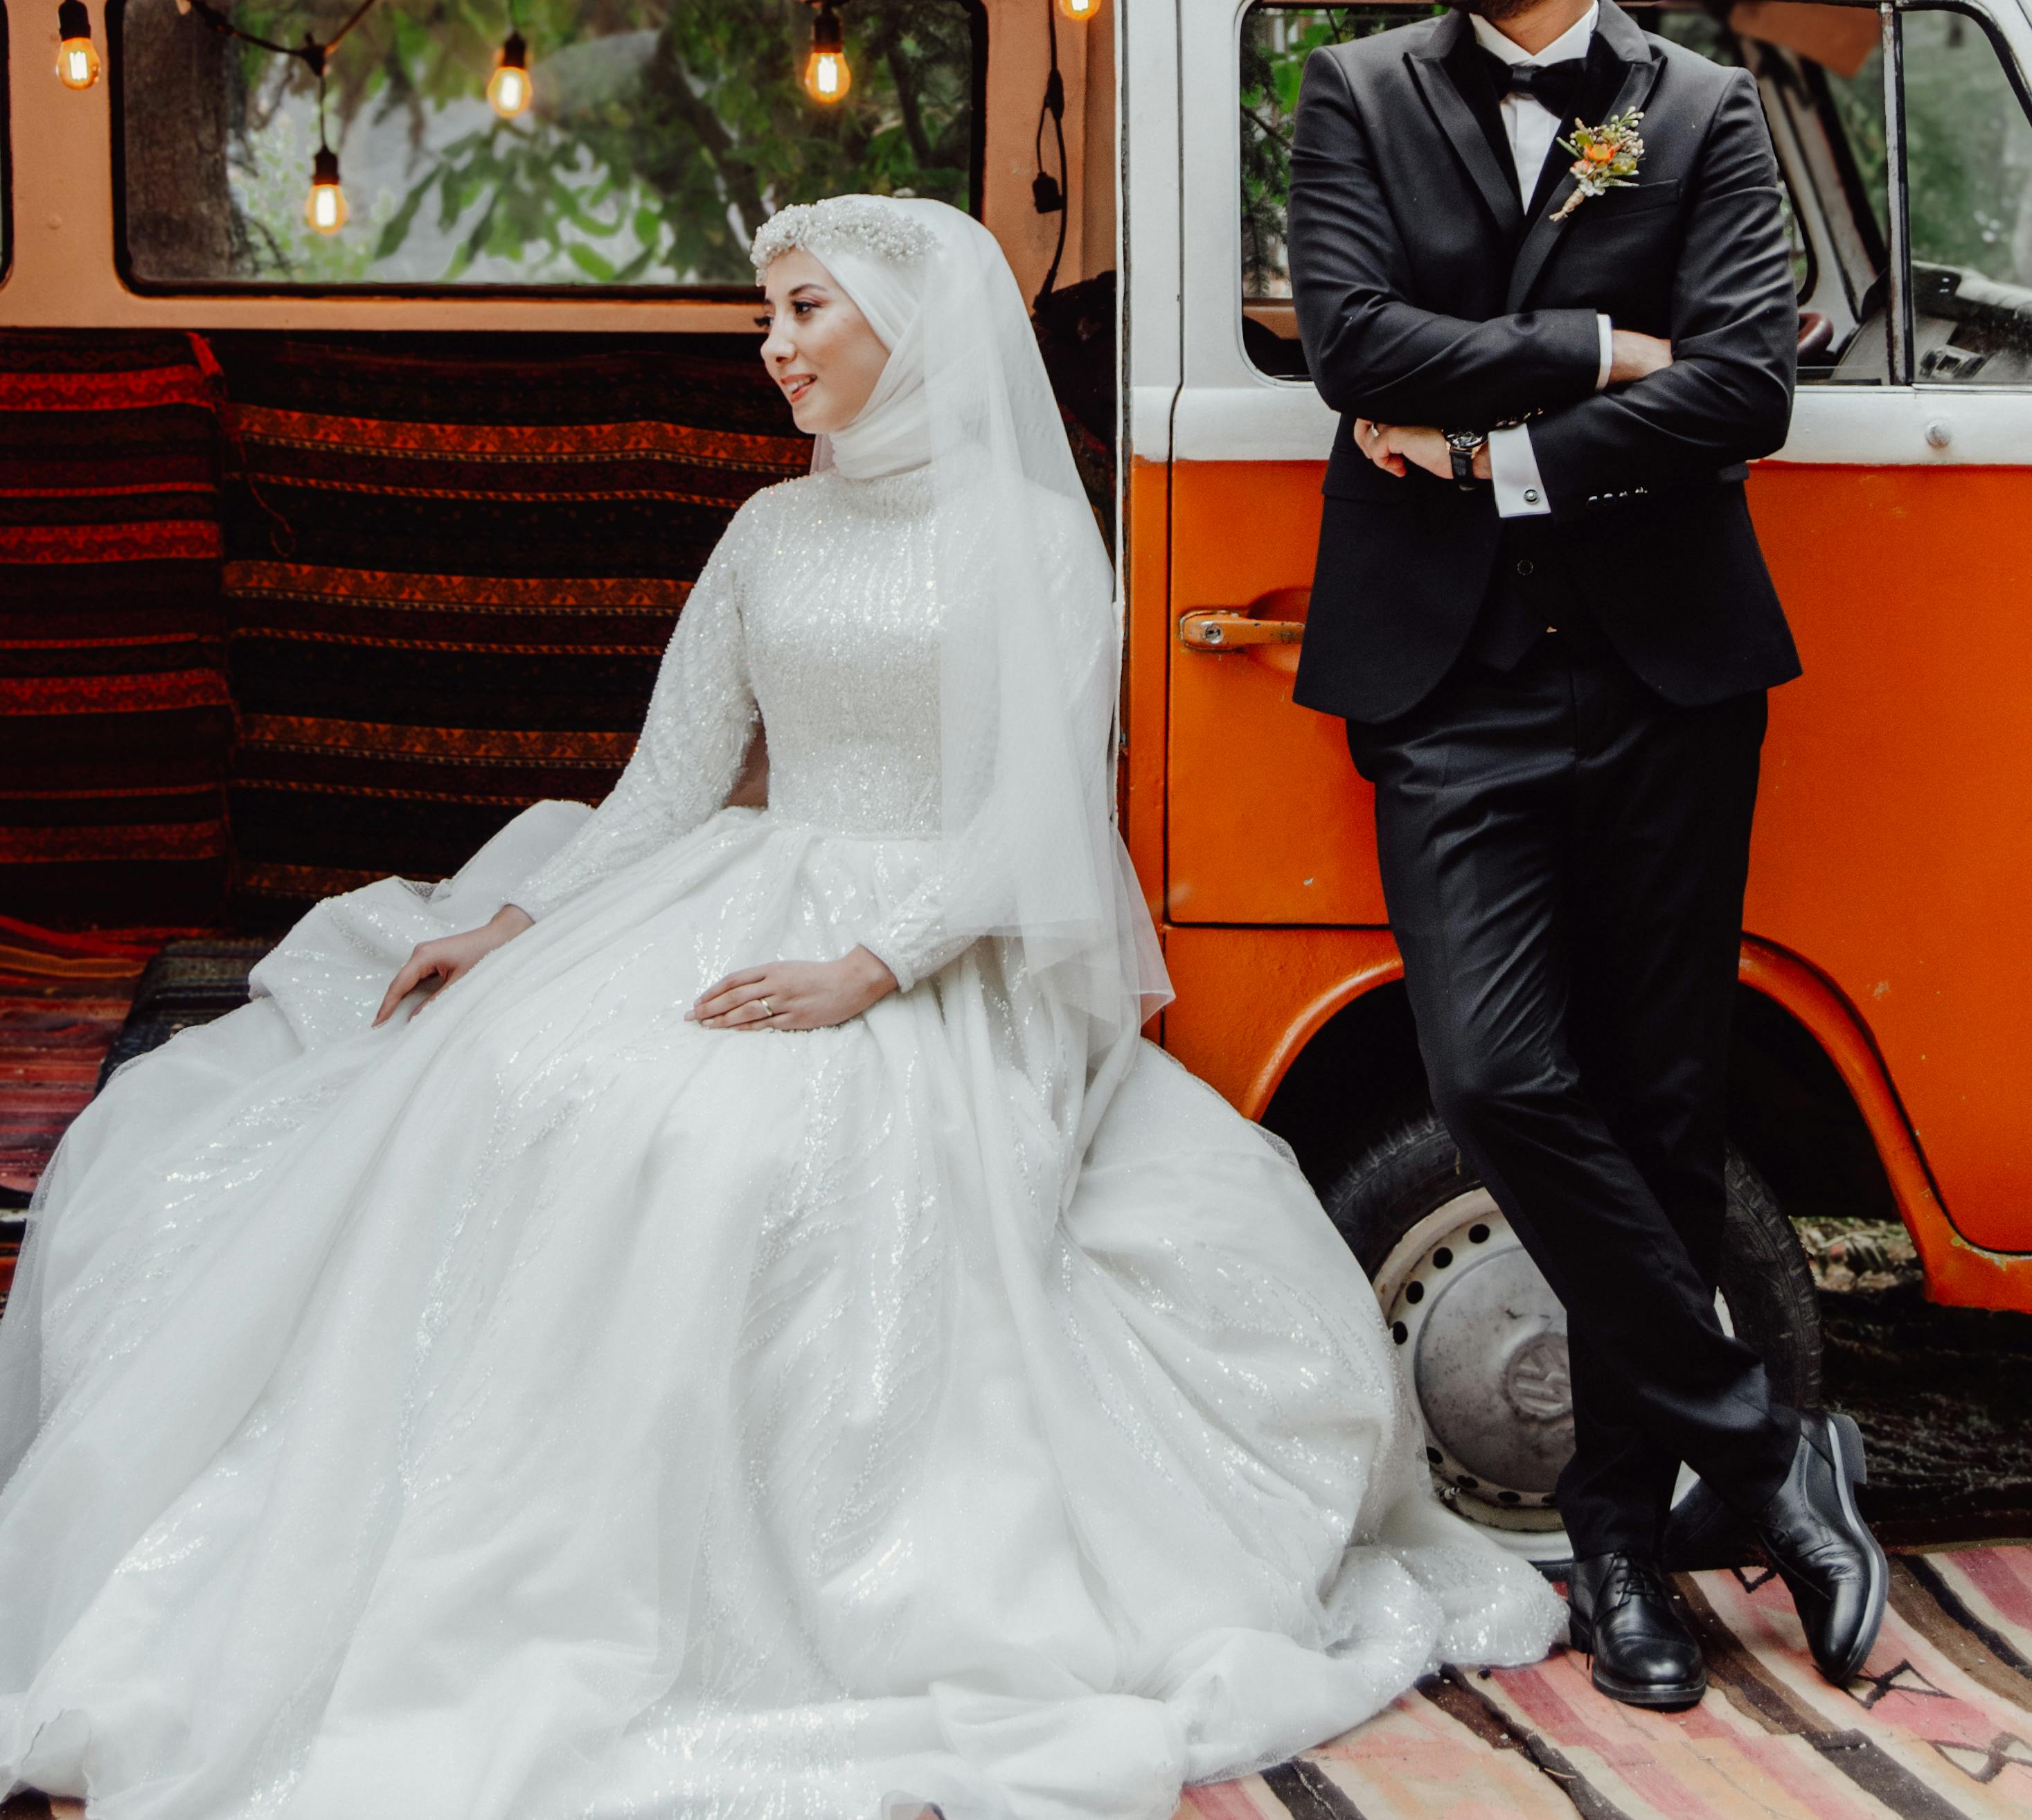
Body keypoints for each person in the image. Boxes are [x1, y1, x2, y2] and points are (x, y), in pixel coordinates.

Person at [0, 193, 1560, 1820]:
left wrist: (869, 967)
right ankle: (514, 1544)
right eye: (770, 315)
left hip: (939, 948)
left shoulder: (1034, 539)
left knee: (742, 1149)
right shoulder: (768, 529)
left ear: (914, 322)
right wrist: (516, 923)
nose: (774, 345)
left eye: (805, 309)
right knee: (522, 1073)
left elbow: (1034, 813)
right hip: (743, 884)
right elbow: (671, 783)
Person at [1285, 0, 1888, 1715]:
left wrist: (1498, 446)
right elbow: (1347, 338)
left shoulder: (1703, 113)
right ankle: (1764, 1443)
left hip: (1664, 677)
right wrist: (1584, 350)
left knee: (1652, 1102)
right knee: (1499, 1068)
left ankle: (1625, 1545)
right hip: (1442, 686)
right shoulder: (1354, 94)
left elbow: (1740, 395)